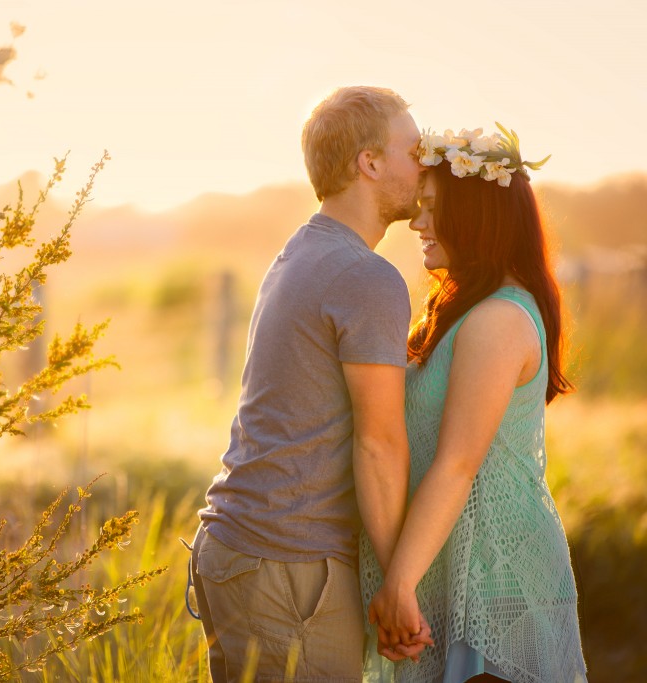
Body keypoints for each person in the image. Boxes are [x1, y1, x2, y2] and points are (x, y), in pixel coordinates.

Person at [189, 85, 432, 681]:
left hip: (235, 548)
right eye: (413, 150)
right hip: (286, 569)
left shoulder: (301, 250)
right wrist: (396, 583)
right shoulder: (366, 275)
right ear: (369, 163)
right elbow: (378, 444)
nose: (424, 165)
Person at [361, 126, 588, 682]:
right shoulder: (469, 310)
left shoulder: (499, 320)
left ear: (477, 214)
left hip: (495, 577)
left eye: (433, 209)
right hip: (455, 563)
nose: (416, 224)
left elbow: (458, 463)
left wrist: (399, 583)